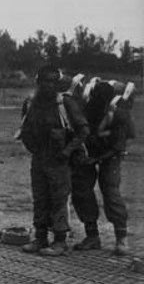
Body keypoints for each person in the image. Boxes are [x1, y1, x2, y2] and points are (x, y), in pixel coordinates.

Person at [17, 65, 89, 256]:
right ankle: (40, 238)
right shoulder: (31, 103)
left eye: (52, 82)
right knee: (40, 199)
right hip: (39, 159)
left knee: (58, 200)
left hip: (59, 162)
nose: (48, 85)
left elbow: (83, 131)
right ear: (38, 83)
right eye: (44, 81)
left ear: (57, 83)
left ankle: (60, 241)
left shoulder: (65, 103)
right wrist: (32, 148)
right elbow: (24, 129)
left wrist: (67, 151)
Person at [70, 79, 133, 256]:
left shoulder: (118, 114)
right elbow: (79, 132)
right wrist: (83, 156)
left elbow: (118, 145)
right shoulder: (85, 110)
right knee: (81, 190)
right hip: (89, 153)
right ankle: (92, 236)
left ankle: (121, 238)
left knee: (111, 192)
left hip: (111, 156)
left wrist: (98, 158)